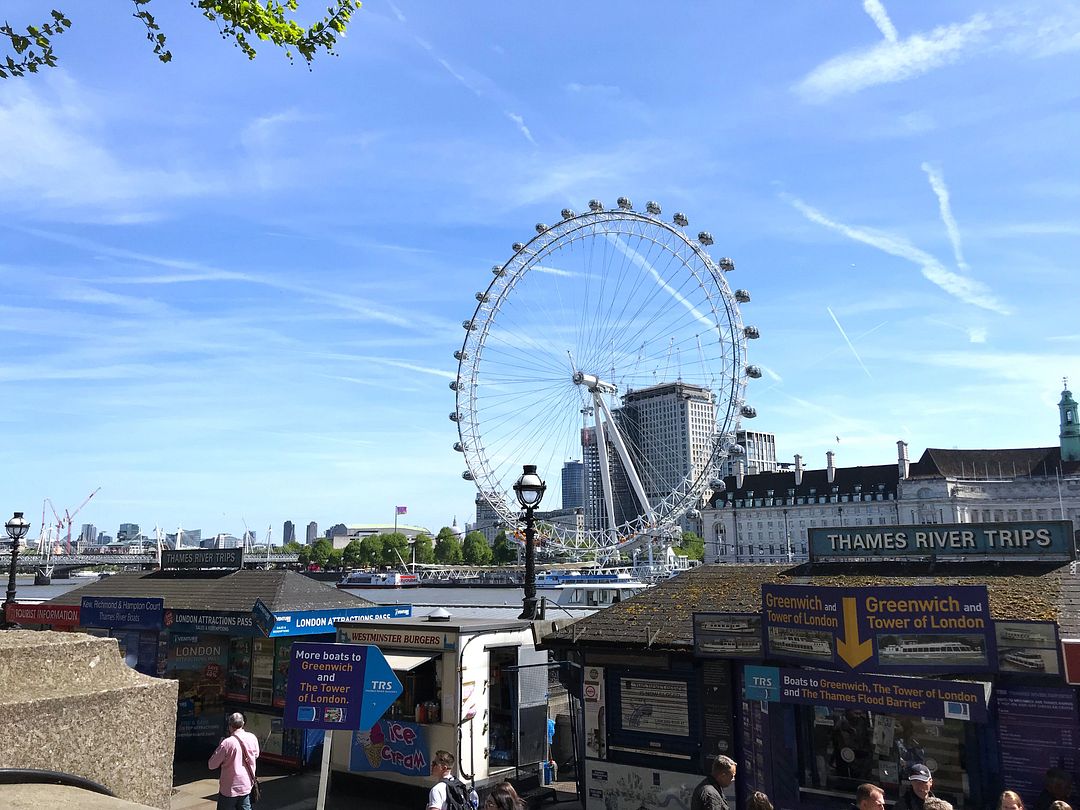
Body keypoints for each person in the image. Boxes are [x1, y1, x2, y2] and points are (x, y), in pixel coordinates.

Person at [208, 712, 260, 810]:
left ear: (230, 726)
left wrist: (220, 747)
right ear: (243, 723)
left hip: (229, 788)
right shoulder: (252, 738)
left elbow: (212, 765)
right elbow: (256, 755)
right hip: (246, 785)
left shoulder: (227, 743)